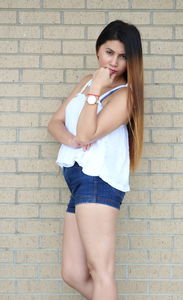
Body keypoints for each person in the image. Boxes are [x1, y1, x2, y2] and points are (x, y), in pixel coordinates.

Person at [48, 20, 144, 300]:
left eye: (124, 56)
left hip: (98, 181)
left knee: (100, 270)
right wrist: (72, 140)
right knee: (73, 273)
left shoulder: (126, 95)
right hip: (79, 182)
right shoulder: (87, 81)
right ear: (98, 51)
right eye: (109, 52)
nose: (114, 62)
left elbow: (88, 132)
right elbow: (55, 123)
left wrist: (95, 92)